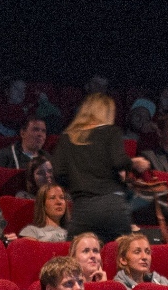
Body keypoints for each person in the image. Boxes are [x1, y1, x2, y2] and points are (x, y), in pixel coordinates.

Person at [53, 93, 134, 243]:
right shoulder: (111, 132)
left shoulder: (67, 137)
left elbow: (58, 173)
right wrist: (134, 163)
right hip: (113, 205)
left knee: (75, 256)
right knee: (121, 254)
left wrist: (78, 184)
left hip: (83, 206)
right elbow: (119, 162)